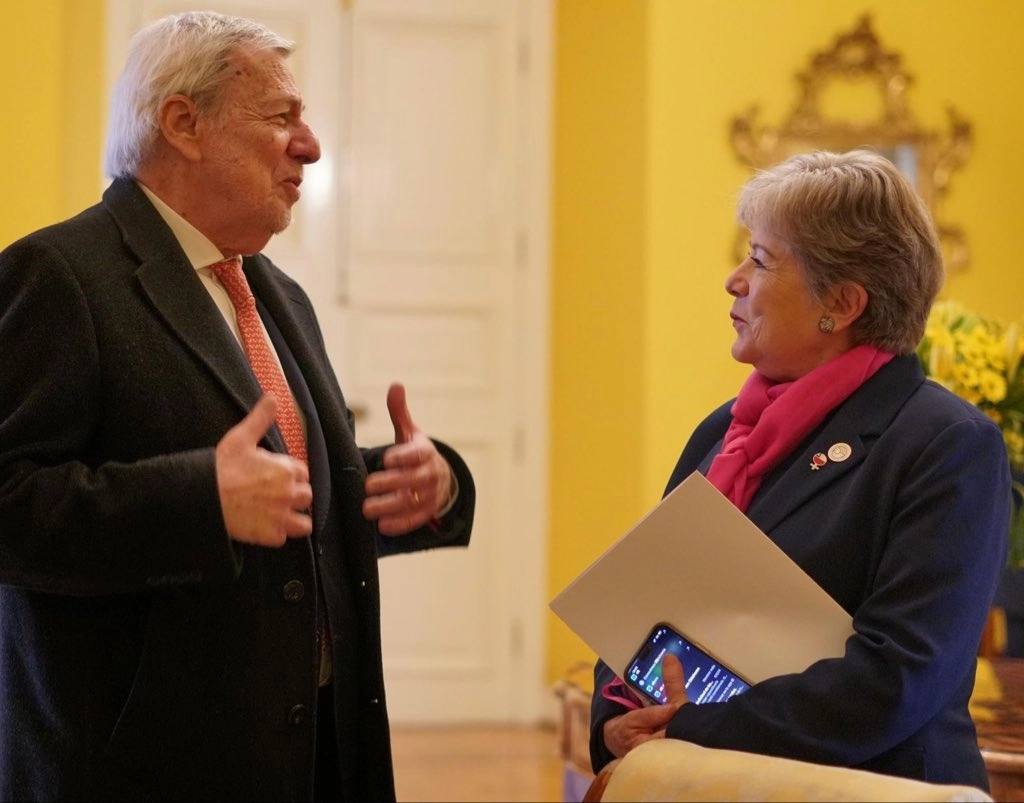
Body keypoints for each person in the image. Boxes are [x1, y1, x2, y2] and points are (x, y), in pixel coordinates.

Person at [0, 11, 475, 801]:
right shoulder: (58, 275)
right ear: (184, 124)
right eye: (281, 116)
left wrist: (425, 487)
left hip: (312, 747)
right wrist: (196, 500)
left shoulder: (274, 293)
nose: (312, 145)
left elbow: (278, 490)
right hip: (143, 767)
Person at [589, 150, 1010, 791]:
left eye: (759, 261)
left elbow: (896, 678)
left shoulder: (948, 446)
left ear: (840, 303)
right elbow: (644, 602)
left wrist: (691, 727)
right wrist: (615, 720)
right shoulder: (723, 430)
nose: (734, 280)